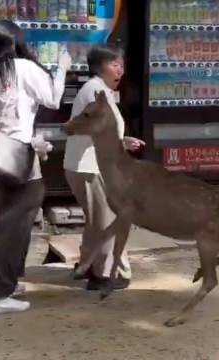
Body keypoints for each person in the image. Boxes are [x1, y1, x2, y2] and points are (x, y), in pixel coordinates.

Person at [0, 20, 72, 315]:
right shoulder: (23, 69)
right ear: (17, 42)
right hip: (18, 161)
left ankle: (7, 283)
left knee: (0, 223)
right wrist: (63, 67)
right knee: (14, 226)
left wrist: (33, 140)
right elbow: (53, 99)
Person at [63, 44, 145, 291]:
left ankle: (88, 267)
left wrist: (123, 142)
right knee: (107, 221)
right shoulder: (95, 91)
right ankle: (104, 273)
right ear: (100, 67)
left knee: (98, 220)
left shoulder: (100, 91)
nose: (120, 70)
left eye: (121, 64)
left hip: (91, 165)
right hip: (90, 166)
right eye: (114, 64)